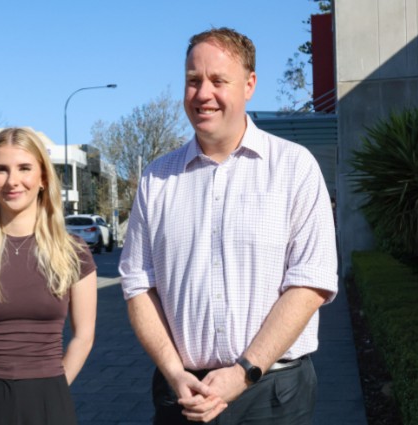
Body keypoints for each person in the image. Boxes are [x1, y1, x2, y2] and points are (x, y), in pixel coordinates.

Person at [119, 27, 338, 424]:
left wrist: (244, 372)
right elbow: (138, 284)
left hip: (272, 395)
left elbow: (310, 282)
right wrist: (174, 373)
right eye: (193, 80)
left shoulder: (294, 167)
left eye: (218, 80)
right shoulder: (156, 178)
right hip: (183, 394)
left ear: (249, 84)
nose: (203, 93)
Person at [0, 127, 97, 425]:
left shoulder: (73, 251)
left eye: (24, 168)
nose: (13, 181)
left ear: (43, 178)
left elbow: (84, 336)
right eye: (1, 169)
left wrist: (53, 386)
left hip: (50, 396)